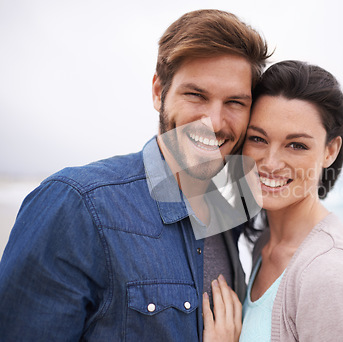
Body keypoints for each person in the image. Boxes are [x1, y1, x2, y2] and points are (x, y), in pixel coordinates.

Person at [0, 9, 270, 341]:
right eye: (196, 95)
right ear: (159, 92)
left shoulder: (230, 205)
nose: (213, 121)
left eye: (234, 102)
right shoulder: (78, 205)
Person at [234, 60, 343, 341]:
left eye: (296, 145)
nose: (270, 163)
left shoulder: (331, 276)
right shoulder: (264, 244)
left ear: (330, 150)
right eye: (258, 139)